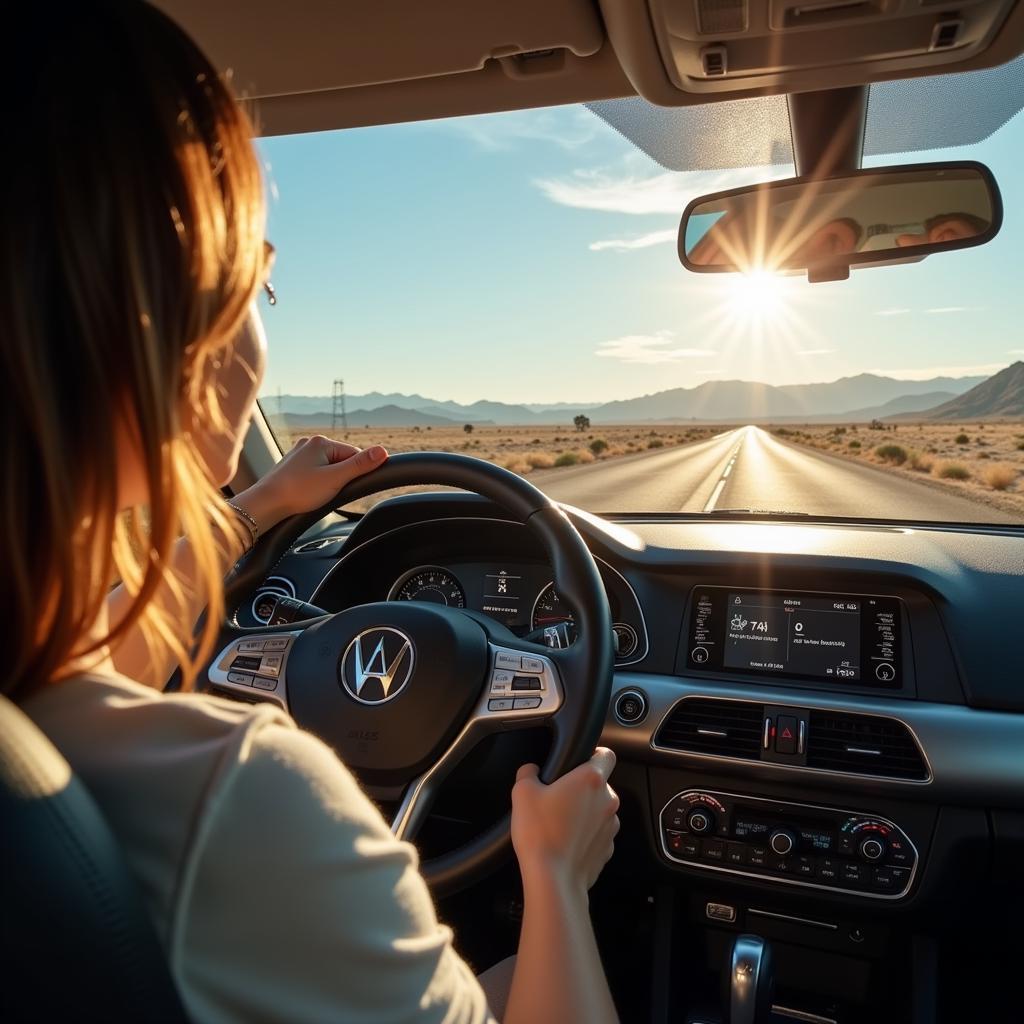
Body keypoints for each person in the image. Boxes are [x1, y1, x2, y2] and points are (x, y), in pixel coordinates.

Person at [4, 3, 620, 1023]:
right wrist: (553, 873)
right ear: (154, 341)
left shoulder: (40, 717)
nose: (261, 325)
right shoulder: (244, 802)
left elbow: (101, 661)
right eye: (260, 284)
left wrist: (258, 506)